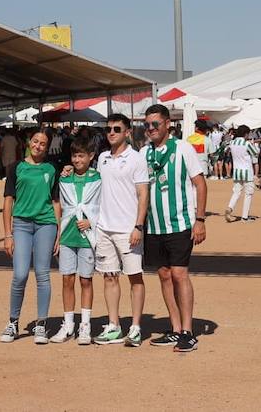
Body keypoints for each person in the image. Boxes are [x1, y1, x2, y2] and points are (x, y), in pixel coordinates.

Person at [141, 105, 206, 352]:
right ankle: (175, 328)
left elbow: (200, 183)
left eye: (155, 124)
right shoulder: (144, 152)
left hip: (180, 222)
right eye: (147, 125)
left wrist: (200, 220)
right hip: (154, 226)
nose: (150, 129)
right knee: (164, 275)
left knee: (179, 274)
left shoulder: (182, 148)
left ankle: (188, 332)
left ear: (167, 124)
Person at [92, 113, 149, 347]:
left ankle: (135, 327)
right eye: (108, 129)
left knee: (135, 278)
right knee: (109, 276)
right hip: (104, 227)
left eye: (116, 129)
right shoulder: (102, 157)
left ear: (127, 132)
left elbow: (143, 193)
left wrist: (138, 225)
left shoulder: (136, 159)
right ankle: (114, 325)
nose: (111, 133)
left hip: (128, 229)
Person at [0, 128, 61, 345]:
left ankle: (41, 323)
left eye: (43, 143)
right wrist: (8, 234)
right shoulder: (16, 167)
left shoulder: (52, 168)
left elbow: (55, 201)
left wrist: (59, 232)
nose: (38, 146)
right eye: (35, 141)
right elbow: (8, 201)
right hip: (22, 224)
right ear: (28, 142)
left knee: (43, 274)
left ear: (47, 146)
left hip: (46, 224)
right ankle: (13, 322)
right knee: (20, 274)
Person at [52, 129, 101, 344]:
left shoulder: (98, 178)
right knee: (67, 279)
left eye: (81, 156)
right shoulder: (65, 178)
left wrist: (92, 221)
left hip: (87, 236)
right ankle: (68, 323)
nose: (77, 160)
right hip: (68, 235)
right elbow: (59, 206)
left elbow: (104, 205)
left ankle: (85, 324)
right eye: (74, 156)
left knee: (86, 280)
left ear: (91, 156)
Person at [224, 125, 255, 222]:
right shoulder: (247, 143)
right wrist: (252, 144)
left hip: (236, 171)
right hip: (247, 171)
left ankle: (230, 208)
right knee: (248, 193)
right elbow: (256, 152)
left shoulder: (232, 142)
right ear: (246, 134)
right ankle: (244, 217)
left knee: (236, 192)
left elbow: (226, 150)